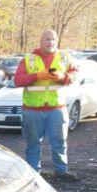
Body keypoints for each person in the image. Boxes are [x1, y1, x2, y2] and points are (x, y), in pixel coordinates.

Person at [14, 30, 78, 180]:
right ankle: (34, 173)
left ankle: (61, 172)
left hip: (57, 109)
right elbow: (18, 80)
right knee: (33, 143)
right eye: (47, 39)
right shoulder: (29, 59)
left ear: (57, 41)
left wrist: (63, 77)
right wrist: (36, 76)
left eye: (53, 40)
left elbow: (75, 73)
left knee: (60, 142)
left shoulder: (64, 57)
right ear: (41, 41)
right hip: (32, 110)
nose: (50, 42)